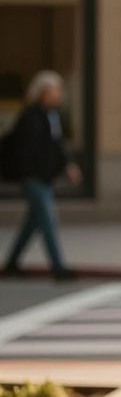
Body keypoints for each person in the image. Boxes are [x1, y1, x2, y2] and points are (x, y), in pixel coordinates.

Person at [2, 71, 81, 281]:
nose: (58, 94)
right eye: (54, 90)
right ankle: (58, 268)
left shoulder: (52, 116)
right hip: (33, 177)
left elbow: (58, 144)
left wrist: (68, 165)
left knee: (33, 223)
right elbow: (25, 151)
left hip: (44, 177)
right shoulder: (30, 117)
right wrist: (33, 172)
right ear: (42, 92)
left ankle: (11, 263)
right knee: (48, 222)